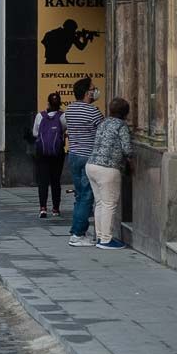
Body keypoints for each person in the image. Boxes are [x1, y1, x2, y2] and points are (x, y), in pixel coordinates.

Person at [86, 98, 135, 250]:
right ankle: (106, 240)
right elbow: (127, 149)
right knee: (109, 204)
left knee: (100, 202)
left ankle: (100, 236)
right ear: (126, 112)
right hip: (107, 168)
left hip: (91, 165)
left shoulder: (103, 122)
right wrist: (131, 158)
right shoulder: (121, 125)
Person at [64, 77, 104, 246]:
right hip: (88, 156)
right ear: (87, 93)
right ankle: (77, 234)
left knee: (80, 194)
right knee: (87, 196)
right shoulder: (93, 112)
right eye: (93, 89)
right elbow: (102, 130)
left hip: (73, 155)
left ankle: (78, 229)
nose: (96, 91)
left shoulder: (69, 110)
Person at [32, 92, 67, 218]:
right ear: (60, 103)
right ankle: (56, 209)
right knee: (55, 180)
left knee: (43, 181)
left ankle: (43, 208)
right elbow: (64, 130)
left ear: (48, 103)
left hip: (42, 152)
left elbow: (35, 133)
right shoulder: (63, 116)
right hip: (57, 152)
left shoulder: (40, 116)